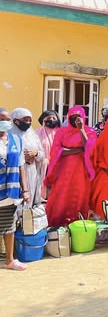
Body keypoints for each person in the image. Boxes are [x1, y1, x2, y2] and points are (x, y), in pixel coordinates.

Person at [45, 106, 97, 226]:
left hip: (81, 172)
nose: (75, 120)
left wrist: (81, 129)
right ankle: (56, 225)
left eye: (78, 117)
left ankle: (77, 226)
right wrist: (78, 149)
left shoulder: (90, 131)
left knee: (78, 197)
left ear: (83, 118)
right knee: (60, 197)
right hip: (64, 171)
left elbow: (89, 149)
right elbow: (57, 150)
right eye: (72, 117)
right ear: (68, 118)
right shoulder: (62, 132)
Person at [0, 116, 30, 270]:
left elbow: (21, 167)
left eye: (7, 118)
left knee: (9, 226)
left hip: (10, 191)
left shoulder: (16, 140)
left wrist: (25, 190)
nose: (5, 121)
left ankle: (10, 260)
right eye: (1, 118)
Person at [10, 108, 44, 206]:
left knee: (29, 202)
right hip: (14, 173)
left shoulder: (32, 134)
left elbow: (42, 153)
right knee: (15, 203)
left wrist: (35, 153)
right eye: (25, 120)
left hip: (31, 172)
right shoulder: (8, 134)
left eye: (30, 120)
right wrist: (21, 157)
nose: (28, 122)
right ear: (16, 120)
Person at [36, 110, 60, 199]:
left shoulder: (62, 132)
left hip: (58, 167)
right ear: (43, 119)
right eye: (49, 118)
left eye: (54, 118)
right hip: (42, 165)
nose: (52, 119)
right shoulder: (37, 132)